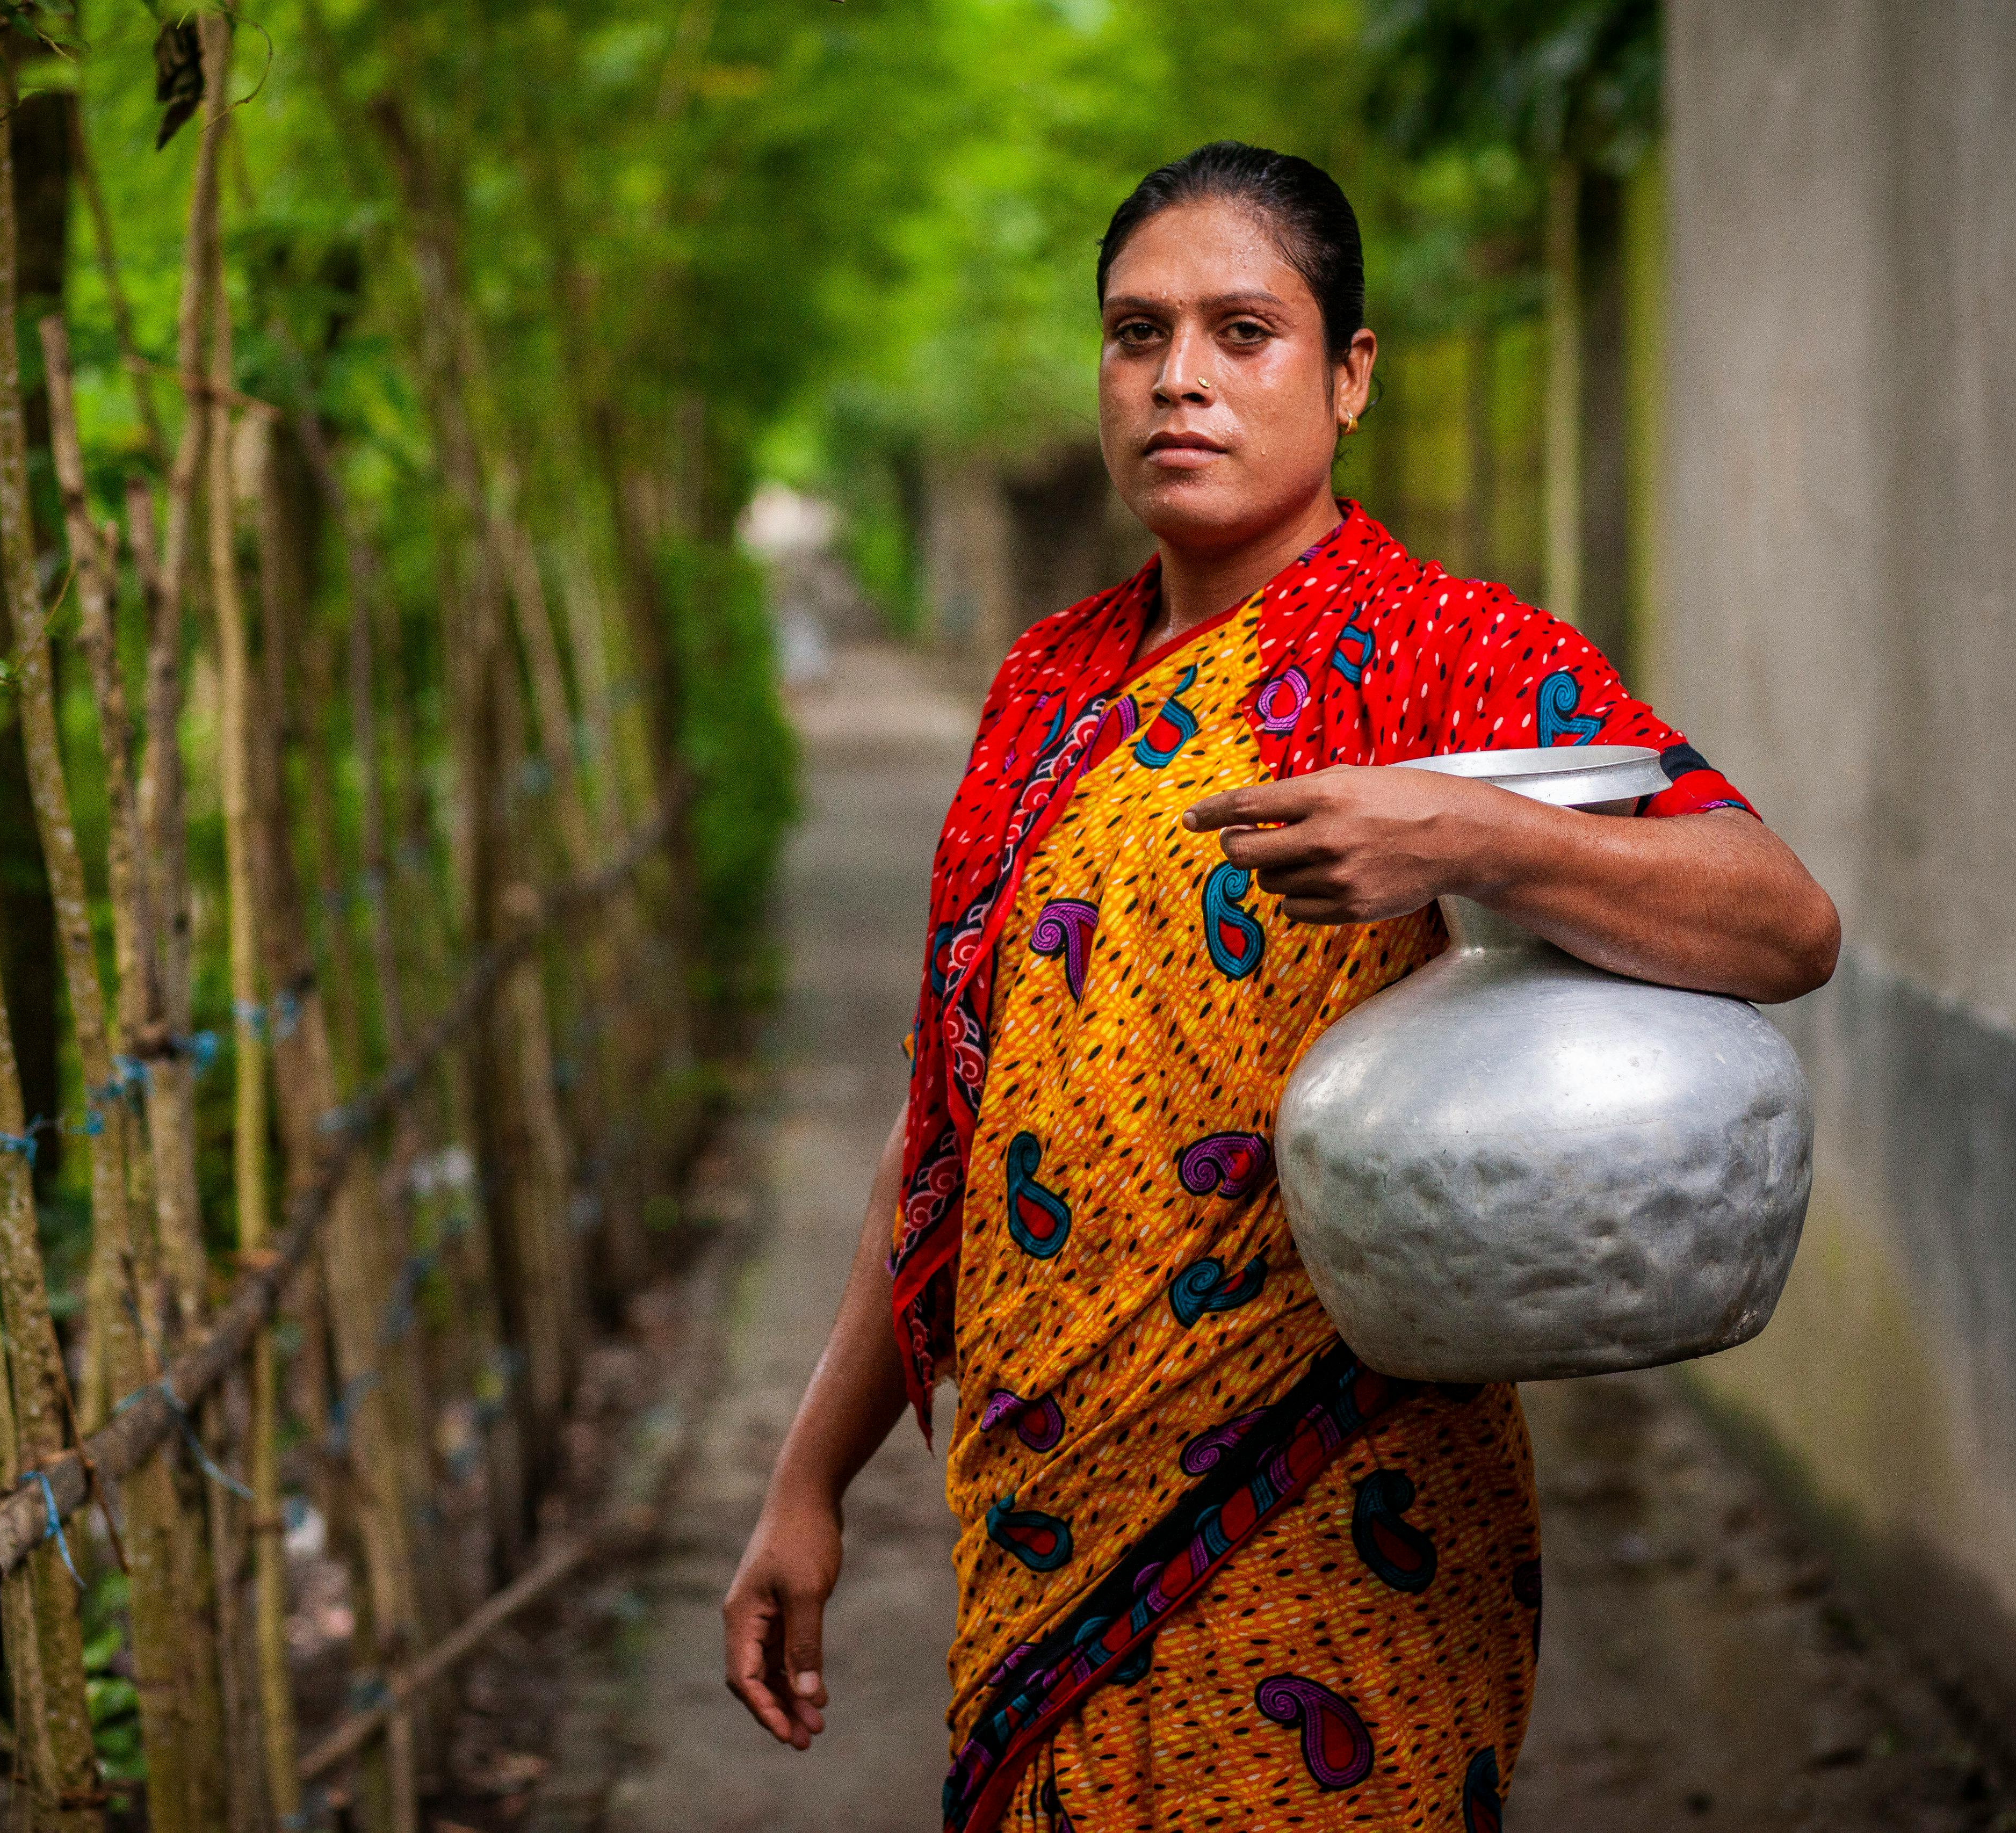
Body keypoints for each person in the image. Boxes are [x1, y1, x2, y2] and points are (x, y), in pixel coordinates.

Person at [721, 142, 1839, 1833]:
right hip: (1038, 1529)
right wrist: (810, 1480)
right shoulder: (1048, 686)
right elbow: (958, 1112)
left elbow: (1781, 923)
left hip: (1336, 1512)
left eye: (1244, 331)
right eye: (1135, 333)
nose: (1179, 377)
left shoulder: (1439, 657)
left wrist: (1470, 833)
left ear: (1350, 374)